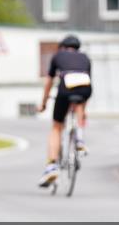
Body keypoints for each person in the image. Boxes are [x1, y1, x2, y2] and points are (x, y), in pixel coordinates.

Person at [38, 35, 92, 187]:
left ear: (62, 47)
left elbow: (49, 82)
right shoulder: (85, 58)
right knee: (79, 104)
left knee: (56, 127)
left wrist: (43, 103)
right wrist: (84, 111)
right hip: (85, 89)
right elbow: (87, 82)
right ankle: (79, 138)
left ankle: (51, 166)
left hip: (65, 88)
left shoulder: (58, 56)